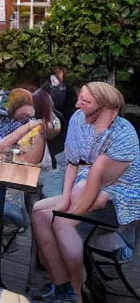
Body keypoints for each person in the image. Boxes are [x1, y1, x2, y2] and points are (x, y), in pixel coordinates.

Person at [31, 82, 140, 302]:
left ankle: (79, 292)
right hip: (86, 185)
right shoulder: (78, 120)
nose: (78, 104)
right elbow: (73, 163)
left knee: (62, 221)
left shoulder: (124, 132)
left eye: (86, 101)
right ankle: (62, 288)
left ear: (105, 106)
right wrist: (64, 198)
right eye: (80, 98)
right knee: (38, 212)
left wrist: (68, 211)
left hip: (118, 196)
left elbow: (104, 178)